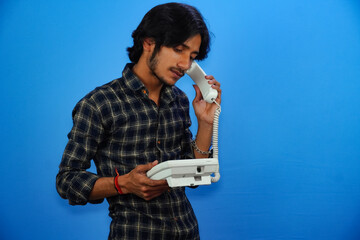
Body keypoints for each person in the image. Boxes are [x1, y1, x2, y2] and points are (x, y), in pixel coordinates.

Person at [56, 2, 221, 239]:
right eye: (178, 49)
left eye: (192, 57)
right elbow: (66, 181)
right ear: (148, 43)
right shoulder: (99, 103)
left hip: (188, 232)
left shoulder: (180, 100)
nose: (185, 65)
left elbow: (193, 176)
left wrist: (206, 122)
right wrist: (122, 183)